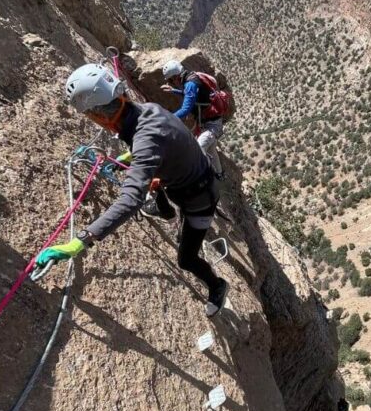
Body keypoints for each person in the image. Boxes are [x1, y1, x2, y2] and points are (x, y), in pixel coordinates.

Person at [34, 63, 229, 317]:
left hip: (199, 198)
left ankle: (217, 286)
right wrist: (126, 160)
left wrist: (79, 241)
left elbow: (130, 199)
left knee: (186, 259)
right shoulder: (147, 110)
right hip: (190, 181)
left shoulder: (145, 140)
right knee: (166, 202)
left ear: (99, 115)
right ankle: (167, 212)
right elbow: (154, 144)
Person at [160, 59, 232, 178]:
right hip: (211, 121)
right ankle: (219, 174)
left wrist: (168, 119)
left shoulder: (190, 84)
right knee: (211, 148)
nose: (172, 82)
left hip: (212, 125)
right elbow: (192, 95)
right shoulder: (192, 77)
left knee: (199, 147)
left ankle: (203, 176)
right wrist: (174, 91)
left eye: (171, 80)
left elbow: (185, 109)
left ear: (176, 76)